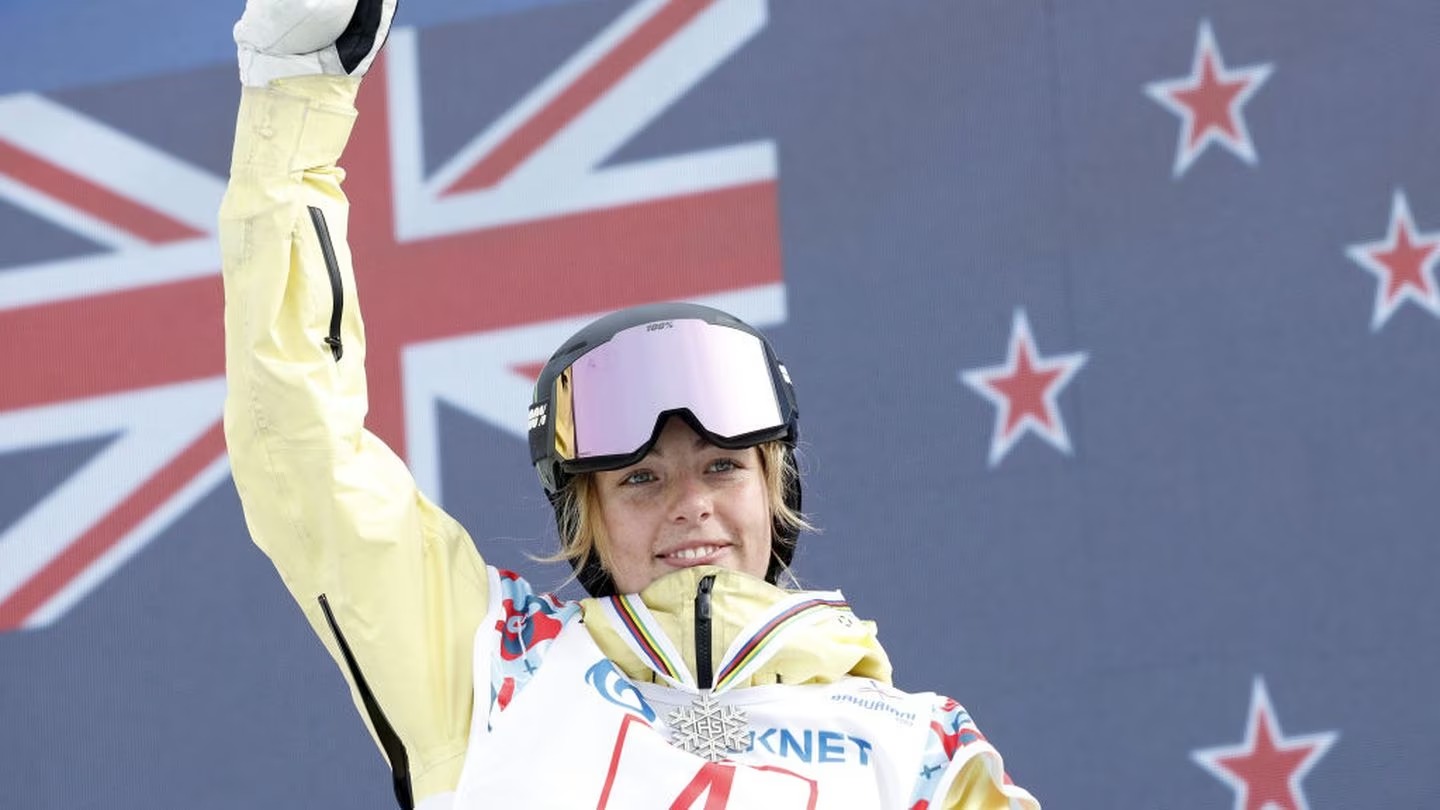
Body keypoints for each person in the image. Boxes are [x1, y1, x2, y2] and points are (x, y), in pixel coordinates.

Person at [220, 1, 1041, 808]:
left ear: (774, 490)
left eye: (723, 467)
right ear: (587, 519)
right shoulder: (496, 672)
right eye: (641, 480)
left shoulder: (917, 747)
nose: (692, 507)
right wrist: (298, 90)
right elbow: (300, 443)